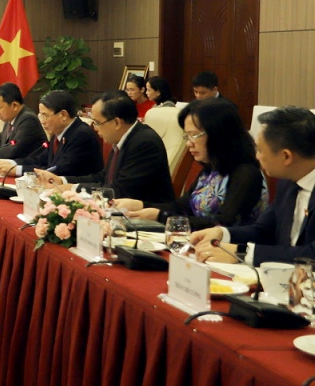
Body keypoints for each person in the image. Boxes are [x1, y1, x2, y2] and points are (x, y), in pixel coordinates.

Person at [192, 106, 315, 266]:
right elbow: (264, 229)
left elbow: (311, 254)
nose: (257, 156)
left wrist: (241, 253)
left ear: (286, 156)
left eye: (260, 150)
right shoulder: (288, 182)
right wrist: (222, 233)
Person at [116, 99, 266, 229]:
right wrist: (141, 205)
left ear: (219, 134)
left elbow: (223, 224)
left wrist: (162, 217)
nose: (188, 143)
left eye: (194, 135)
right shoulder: (212, 168)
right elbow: (181, 207)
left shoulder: (246, 173)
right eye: (187, 136)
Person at [36, 91, 175, 204]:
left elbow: (120, 191)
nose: (95, 128)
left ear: (116, 123)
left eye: (97, 123)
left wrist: (73, 188)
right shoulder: (123, 139)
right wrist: (62, 181)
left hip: (146, 220)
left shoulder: (144, 143)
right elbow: (103, 177)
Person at [0, 90, 103, 178]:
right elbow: (39, 159)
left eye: (45, 115)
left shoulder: (81, 135)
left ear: (63, 115)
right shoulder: (58, 132)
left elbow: (59, 169)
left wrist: (19, 170)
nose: (42, 121)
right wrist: (11, 163)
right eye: (41, 115)